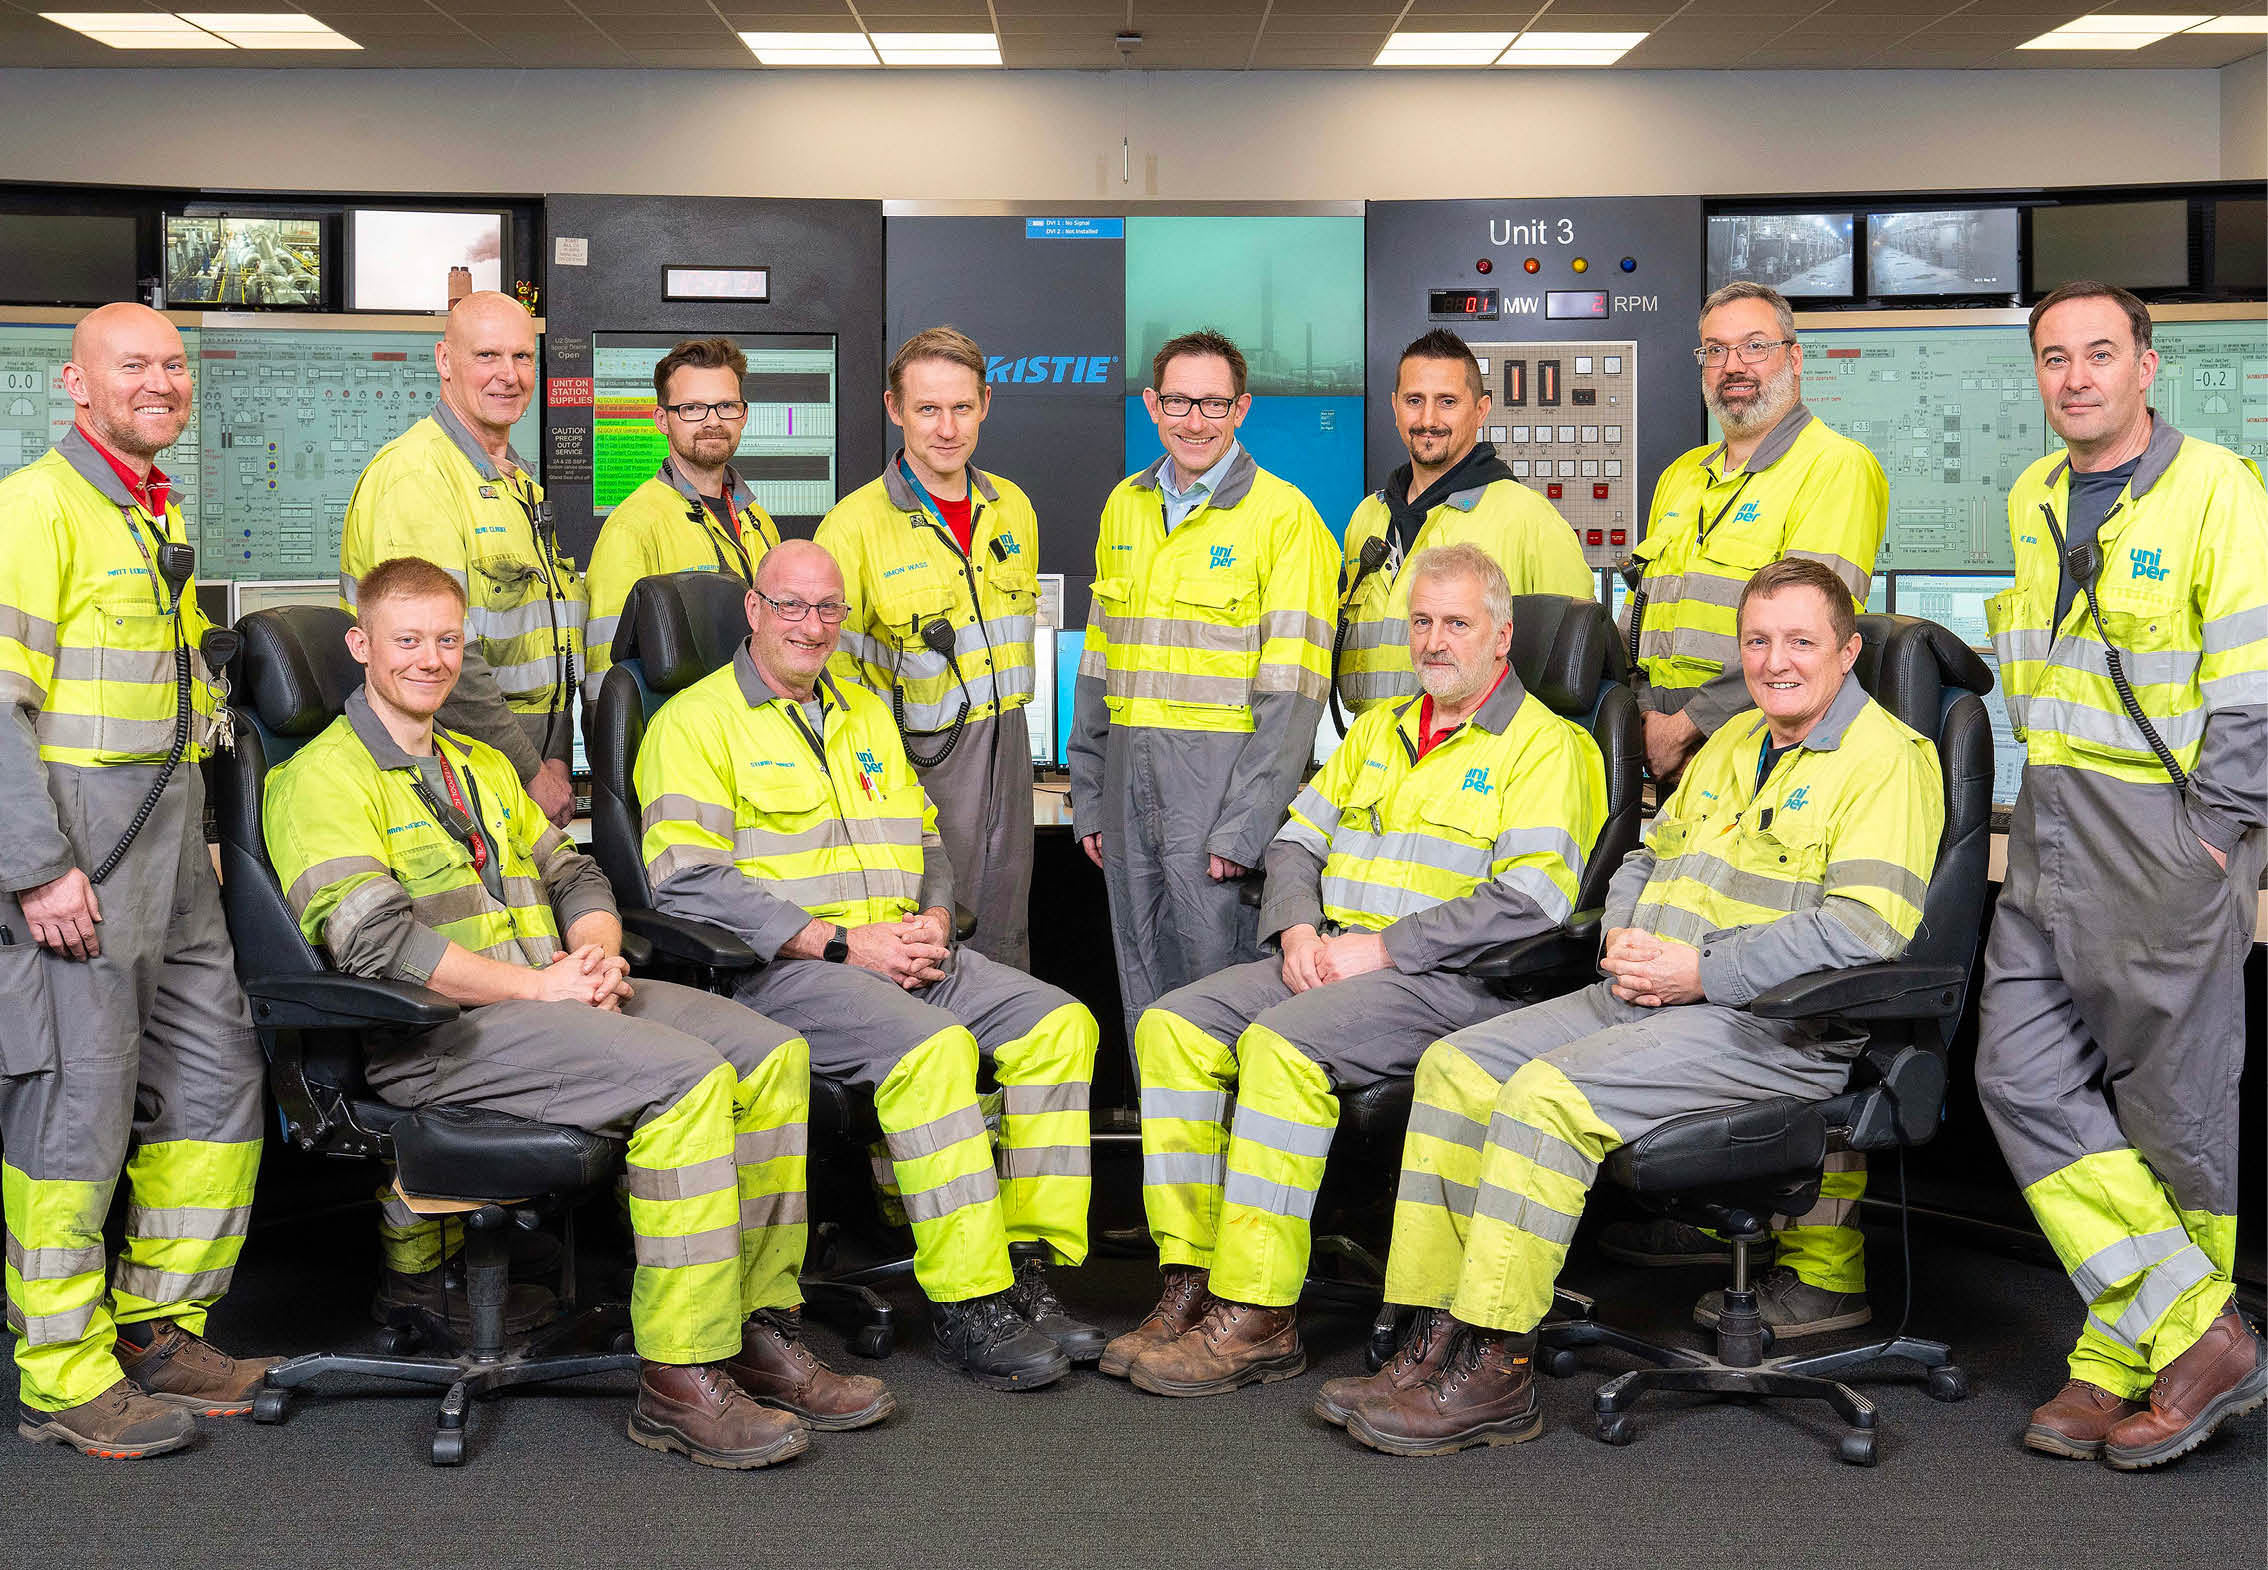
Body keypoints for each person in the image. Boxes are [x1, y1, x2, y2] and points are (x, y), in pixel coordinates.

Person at [265, 555, 890, 1468]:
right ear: (361, 645)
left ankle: (758, 1327)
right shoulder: (322, 779)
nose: (432, 659)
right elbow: (377, 948)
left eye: (448, 638)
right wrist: (542, 986)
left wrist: (591, 950)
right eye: (408, 640)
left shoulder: (475, 762)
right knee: (688, 1081)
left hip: (548, 1000)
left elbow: (575, 871)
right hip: (435, 1034)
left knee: (771, 1052)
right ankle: (681, 1374)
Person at [1330, 557, 1940, 1456]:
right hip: (1647, 991)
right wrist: (1622, 936)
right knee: (1455, 1068)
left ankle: (1497, 1366)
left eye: (1801, 642)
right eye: (1758, 641)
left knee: (1541, 1098)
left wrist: (1702, 969)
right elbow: (1645, 860)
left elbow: (1864, 931)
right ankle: (1434, 1336)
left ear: (1847, 653)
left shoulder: (1889, 762)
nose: (1776, 662)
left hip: (1768, 1027)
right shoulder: (1734, 743)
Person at [1109, 545, 1604, 1395]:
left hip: (1454, 984)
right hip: (1331, 957)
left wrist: (1383, 948)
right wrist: (1297, 928)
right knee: (1172, 1028)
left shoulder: (1547, 747)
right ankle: (1191, 1280)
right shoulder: (1377, 730)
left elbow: (1531, 902)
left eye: (1457, 623)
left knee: (1279, 1048)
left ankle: (1256, 1312)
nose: (1434, 640)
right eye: (1421, 621)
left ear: (1503, 636)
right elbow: (1297, 838)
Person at [636, 540, 1102, 1390]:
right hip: (787, 973)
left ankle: (1026, 1268)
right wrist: (843, 942)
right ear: (754, 610)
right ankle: (971, 1301)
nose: (812, 627)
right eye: (791, 606)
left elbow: (925, 835)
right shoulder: (693, 724)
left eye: (828, 610)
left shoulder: (862, 709)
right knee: (936, 1052)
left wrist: (931, 912)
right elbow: (687, 883)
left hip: (904, 949)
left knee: (1062, 1026)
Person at [1974, 281, 2268, 1470]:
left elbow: (2252, 686)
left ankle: (2123, 1357)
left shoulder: (2221, 491)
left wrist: (2215, 835)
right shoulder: (2032, 495)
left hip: (2162, 835)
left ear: (2149, 366)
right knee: (2019, 1070)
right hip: (2051, 813)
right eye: (2055, 357)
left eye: (2100, 354)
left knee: (2172, 1114)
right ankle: (2197, 1328)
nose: (2076, 376)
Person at [0, 302, 275, 1460]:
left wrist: (203, 831)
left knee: (215, 1075)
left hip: (172, 849)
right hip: (81, 855)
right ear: (76, 382)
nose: (160, 382)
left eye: (172, 364)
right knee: (78, 1104)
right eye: (133, 365)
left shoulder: (148, 507)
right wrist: (37, 869)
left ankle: (158, 1324)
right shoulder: (34, 507)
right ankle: (61, 1367)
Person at [1602, 280, 1890, 1331]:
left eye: (1756, 347)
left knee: (1795, 996)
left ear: (1794, 357)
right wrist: (1644, 724)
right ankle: (1714, 1213)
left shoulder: (1834, 468)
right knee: (1696, 999)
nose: (1737, 366)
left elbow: (1802, 631)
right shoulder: (1683, 476)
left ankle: (1823, 1263)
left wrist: (1697, 724)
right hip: (1684, 776)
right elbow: (1650, 622)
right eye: (1717, 349)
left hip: (1774, 757)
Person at [1069, 329, 1338, 1039]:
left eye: (1213, 403)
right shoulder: (1123, 508)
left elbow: (1294, 699)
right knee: (1142, 992)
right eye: (1179, 401)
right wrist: (1090, 794)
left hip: (1218, 802)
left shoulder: (1287, 520)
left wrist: (1245, 827)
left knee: (1221, 1005)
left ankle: (1228, 1153)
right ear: (1152, 407)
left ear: (1242, 408)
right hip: (1128, 789)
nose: (1195, 421)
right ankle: (1167, 1152)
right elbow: (1097, 668)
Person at [816, 327, 1042, 969]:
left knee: (1005, 938)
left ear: (986, 404)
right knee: (929, 950)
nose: (947, 428)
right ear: (895, 410)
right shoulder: (853, 528)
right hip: (916, 771)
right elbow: (829, 689)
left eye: (962, 407)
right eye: (927, 409)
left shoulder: (1013, 510)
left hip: (1008, 756)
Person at [340, 290, 585, 830]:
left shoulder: (517, 485)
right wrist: (531, 772)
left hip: (516, 771)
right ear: (445, 362)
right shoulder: (417, 477)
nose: (509, 375)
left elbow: (554, 646)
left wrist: (556, 761)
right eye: (487, 356)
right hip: (449, 772)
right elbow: (439, 655)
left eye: (522, 357)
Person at [1334, 330, 1594, 716]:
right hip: (1378, 759)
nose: (1427, 419)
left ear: (1481, 410)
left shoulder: (1529, 520)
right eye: (1414, 400)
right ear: (1394, 407)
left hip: (1482, 766)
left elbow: (1571, 685)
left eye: (1448, 402)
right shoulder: (1367, 519)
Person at [584, 336, 780, 699]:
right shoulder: (633, 528)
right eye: (692, 408)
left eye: (726, 406)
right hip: (681, 745)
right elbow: (607, 686)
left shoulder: (758, 522)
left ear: (744, 415)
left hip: (757, 740)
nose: (713, 421)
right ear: (662, 419)